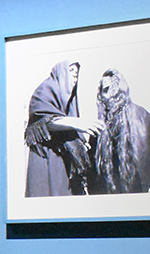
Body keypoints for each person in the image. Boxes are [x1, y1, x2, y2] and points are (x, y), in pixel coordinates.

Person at [23, 60, 105, 197]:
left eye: (77, 72)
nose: (75, 76)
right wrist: (77, 123)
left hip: (62, 163)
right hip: (47, 158)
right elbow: (41, 122)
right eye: (71, 71)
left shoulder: (68, 103)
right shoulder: (44, 90)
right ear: (60, 72)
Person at [89, 68, 150, 195]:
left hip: (140, 194)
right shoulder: (99, 126)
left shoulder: (143, 118)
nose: (108, 95)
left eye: (111, 88)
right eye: (104, 91)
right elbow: (93, 174)